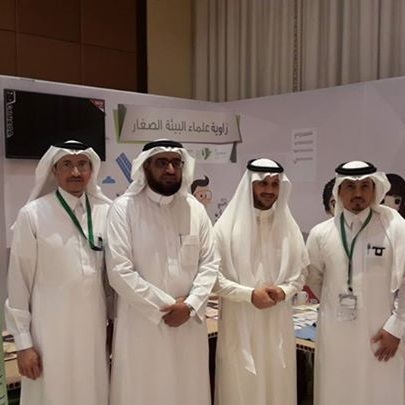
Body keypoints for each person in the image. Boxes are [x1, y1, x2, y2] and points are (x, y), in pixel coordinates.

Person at [106, 139, 219, 405]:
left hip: (188, 326)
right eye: (161, 163)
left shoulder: (195, 209)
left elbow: (210, 263)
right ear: (145, 167)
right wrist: (168, 306)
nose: (170, 169)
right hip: (142, 327)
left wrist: (189, 306)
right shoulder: (124, 209)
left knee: (188, 390)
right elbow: (119, 272)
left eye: (175, 163)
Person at [5, 140, 111, 405]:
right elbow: (19, 282)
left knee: (93, 393)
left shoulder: (106, 212)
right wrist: (23, 344)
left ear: (92, 170)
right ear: (54, 171)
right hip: (48, 333)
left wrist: (115, 324)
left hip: (94, 332)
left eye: (82, 164)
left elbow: (111, 281)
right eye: (67, 165)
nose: (75, 172)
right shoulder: (33, 215)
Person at [306, 160, 405, 405]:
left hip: (383, 335)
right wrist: (334, 304)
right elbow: (315, 278)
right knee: (337, 391)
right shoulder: (321, 233)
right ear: (339, 192)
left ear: (375, 190)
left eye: (365, 186)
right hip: (336, 335)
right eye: (350, 187)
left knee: (380, 391)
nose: (358, 194)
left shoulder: (395, 228)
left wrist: (397, 326)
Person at [213, 158, 309, 405]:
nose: (269, 190)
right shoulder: (225, 227)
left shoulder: (288, 226)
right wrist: (249, 295)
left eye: (275, 184)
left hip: (277, 323)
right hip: (239, 322)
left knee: (278, 384)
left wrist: (284, 290)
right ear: (249, 186)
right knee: (241, 388)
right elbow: (212, 278)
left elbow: (300, 274)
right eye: (263, 183)